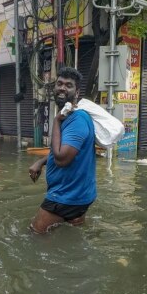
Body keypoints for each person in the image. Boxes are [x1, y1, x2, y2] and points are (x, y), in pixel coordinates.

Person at [29, 67, 97, 233]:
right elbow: (64, 149)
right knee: (72, 237)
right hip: (80, 195)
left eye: (68, 85)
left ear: (77, 92)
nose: (62, 88)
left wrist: (56, 122)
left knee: (35, 235)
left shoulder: (76, 119)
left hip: (66, 196)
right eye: (59, 83)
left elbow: (61, 159)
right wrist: (41, 161)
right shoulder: (69, 115)